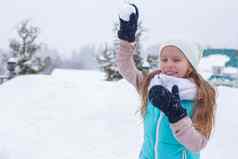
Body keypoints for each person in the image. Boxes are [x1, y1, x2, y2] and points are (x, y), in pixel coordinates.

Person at [116, 3, 217, 159]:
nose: (169, 64)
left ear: (190, 67)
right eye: (164, 59)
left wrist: (177, 115)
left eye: (176, 60)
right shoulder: (152, 86)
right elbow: (125, 67)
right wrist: (126, 40)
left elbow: (198, 144)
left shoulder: (199, 97)